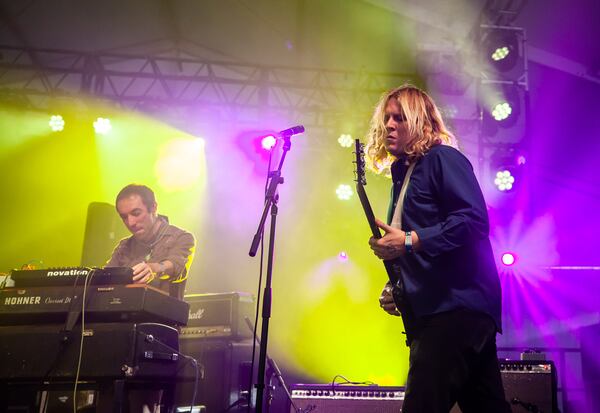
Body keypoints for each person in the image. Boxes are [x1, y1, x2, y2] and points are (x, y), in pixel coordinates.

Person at [366, 84, 511, 413]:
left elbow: (474, 220)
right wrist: (397, 288)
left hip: (454, 310)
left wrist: (408, 240)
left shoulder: (442, 158)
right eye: (386, 118)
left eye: (399, 118)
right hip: (448, 312)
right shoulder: (401, 178)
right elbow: (419, 250)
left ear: (419, 122)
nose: (389, 125)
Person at [106, 184, 195, 300]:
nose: (130, 222)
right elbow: (105, 278)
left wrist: (153, 269)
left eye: (136, 213)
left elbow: (175, 266)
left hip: (163, 315)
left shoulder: (182, 238)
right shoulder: (123, 246)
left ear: (153, 207)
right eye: (124, 217)